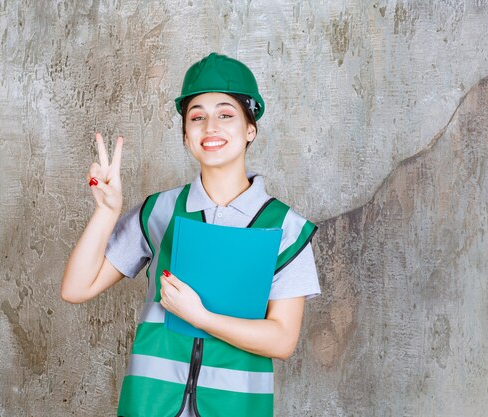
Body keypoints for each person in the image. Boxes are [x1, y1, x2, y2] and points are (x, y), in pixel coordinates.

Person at [61, 53, 320, 417]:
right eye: (197, 116)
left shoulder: (286, 229)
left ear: (251, 129)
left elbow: (282, 339)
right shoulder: (158, 212)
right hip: (149, 405)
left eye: (226, 114)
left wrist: (201, 317)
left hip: (235, 407)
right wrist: (106, 213)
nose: (210, 126)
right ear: (186, 135)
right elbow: (75, 289)